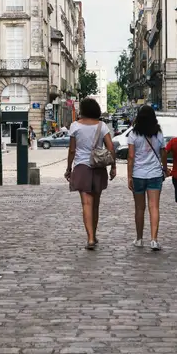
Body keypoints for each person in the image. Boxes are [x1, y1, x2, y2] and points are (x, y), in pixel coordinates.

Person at [66, 98, 117, 250]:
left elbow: (72, 150)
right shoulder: (102, 126)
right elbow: (110, 148)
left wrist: (69, 168)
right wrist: (113, 167)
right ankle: (93, 234)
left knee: (86, 204)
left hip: (81, 167)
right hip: (98, 167)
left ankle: (90, 238)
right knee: (95, 205)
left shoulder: (75, 126)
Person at [127, 105, 166, 251]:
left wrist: (129, 176)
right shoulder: (158, 133)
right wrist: (163, 167)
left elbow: (131, 157)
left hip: (138, 174)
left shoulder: (133, 134)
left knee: (139, 208)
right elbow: (163, 152)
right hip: (155, 174)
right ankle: (154, 239)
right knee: (154, 207)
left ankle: (139, 239)